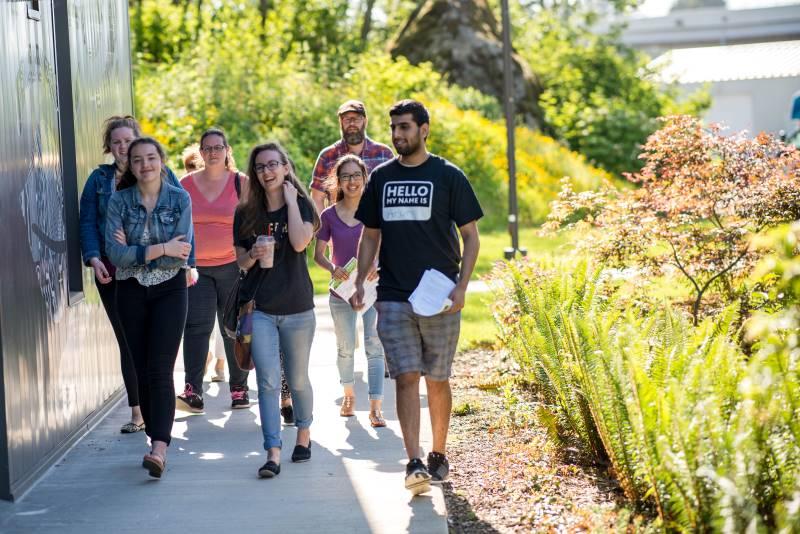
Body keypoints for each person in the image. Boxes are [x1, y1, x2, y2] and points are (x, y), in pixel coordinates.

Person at [351, 100, 482, 495]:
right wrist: (360, 279)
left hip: (439, 297)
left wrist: (461, 286)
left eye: (405, 127)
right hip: (393, 296)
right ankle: (413, 461)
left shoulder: (448, 176)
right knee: (406, 377)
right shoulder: (381, 177)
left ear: (424, 129)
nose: (397, 135)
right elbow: (370, 234)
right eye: (393, 127)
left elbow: (471, 237)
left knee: (437, 379)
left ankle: (438, 452)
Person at [79, 115, 189, 434]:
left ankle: (156, 416)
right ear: (109, 147)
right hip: (114, 271)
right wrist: (94, 257)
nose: (123, 147)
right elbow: (87, 222)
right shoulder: (100, 181)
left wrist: (186, 262)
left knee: (158, 350)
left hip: (161, 274)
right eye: (117, 142)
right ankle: (138, 410)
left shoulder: (164, 176)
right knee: (129, 342)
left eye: (128, 140)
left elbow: (183, 221)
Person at [105, 137, 194, 479]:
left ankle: (159, 447)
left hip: (170, 289)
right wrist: (160, 248)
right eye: (138, 160)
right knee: (141, 369)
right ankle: (154, 432)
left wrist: (140, 250)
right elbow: (116, 256)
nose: (145, 165)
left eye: (151, 158)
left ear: (161, 161)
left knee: (160, 368)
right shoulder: (119, 201)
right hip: (129, 291)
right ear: (131, 164)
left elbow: (181, 251)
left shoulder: (179, 198)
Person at [234, 141, 318, 478]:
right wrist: (253, 253)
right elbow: (240, 260)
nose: (267, 171)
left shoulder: (303, 206)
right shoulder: (246, 212)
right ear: (254, 173)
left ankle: (304, 434)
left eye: (273, 165)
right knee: (267, 382)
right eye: (260, 167)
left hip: (298, 307)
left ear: (285, 167)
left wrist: (291, 203)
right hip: (263, 309)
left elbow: (299, 243)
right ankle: (272, 451)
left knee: (296, 380)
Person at [177, 128, 252, 412]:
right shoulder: (185, 184)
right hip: (197, 270)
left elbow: (252, 219)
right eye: (206, 148)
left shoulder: (240, 183)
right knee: (196, 328)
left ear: (227, 150)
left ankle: (239, 389)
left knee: (232, 328)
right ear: (200, 151)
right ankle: (193, 391)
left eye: (217, 147)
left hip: (232, 266)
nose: (212, 152)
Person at [314, 154, 385, 425]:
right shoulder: (329, 215)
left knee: (374, 345)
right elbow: (318, 255)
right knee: (345, 348)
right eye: (346, 176)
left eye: (357, 175)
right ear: (338, 181)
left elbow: (389, 245)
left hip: (372, 289)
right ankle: (348, 395)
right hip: (341, 292)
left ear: (365, 178)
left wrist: (381, 265)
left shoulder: (376, 210)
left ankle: (376, 406)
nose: (352, 181)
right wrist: (333, 269)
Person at [308, 99, 393, 215]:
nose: (352, 123)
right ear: (340, 123)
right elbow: (316, 198)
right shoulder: (327, 156)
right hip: (339, 230)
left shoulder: (384, 154)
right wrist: (325, 229)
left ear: (365, 121)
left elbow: (391, 196)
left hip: (376, 228)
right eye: (347, 119)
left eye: (357, 119)